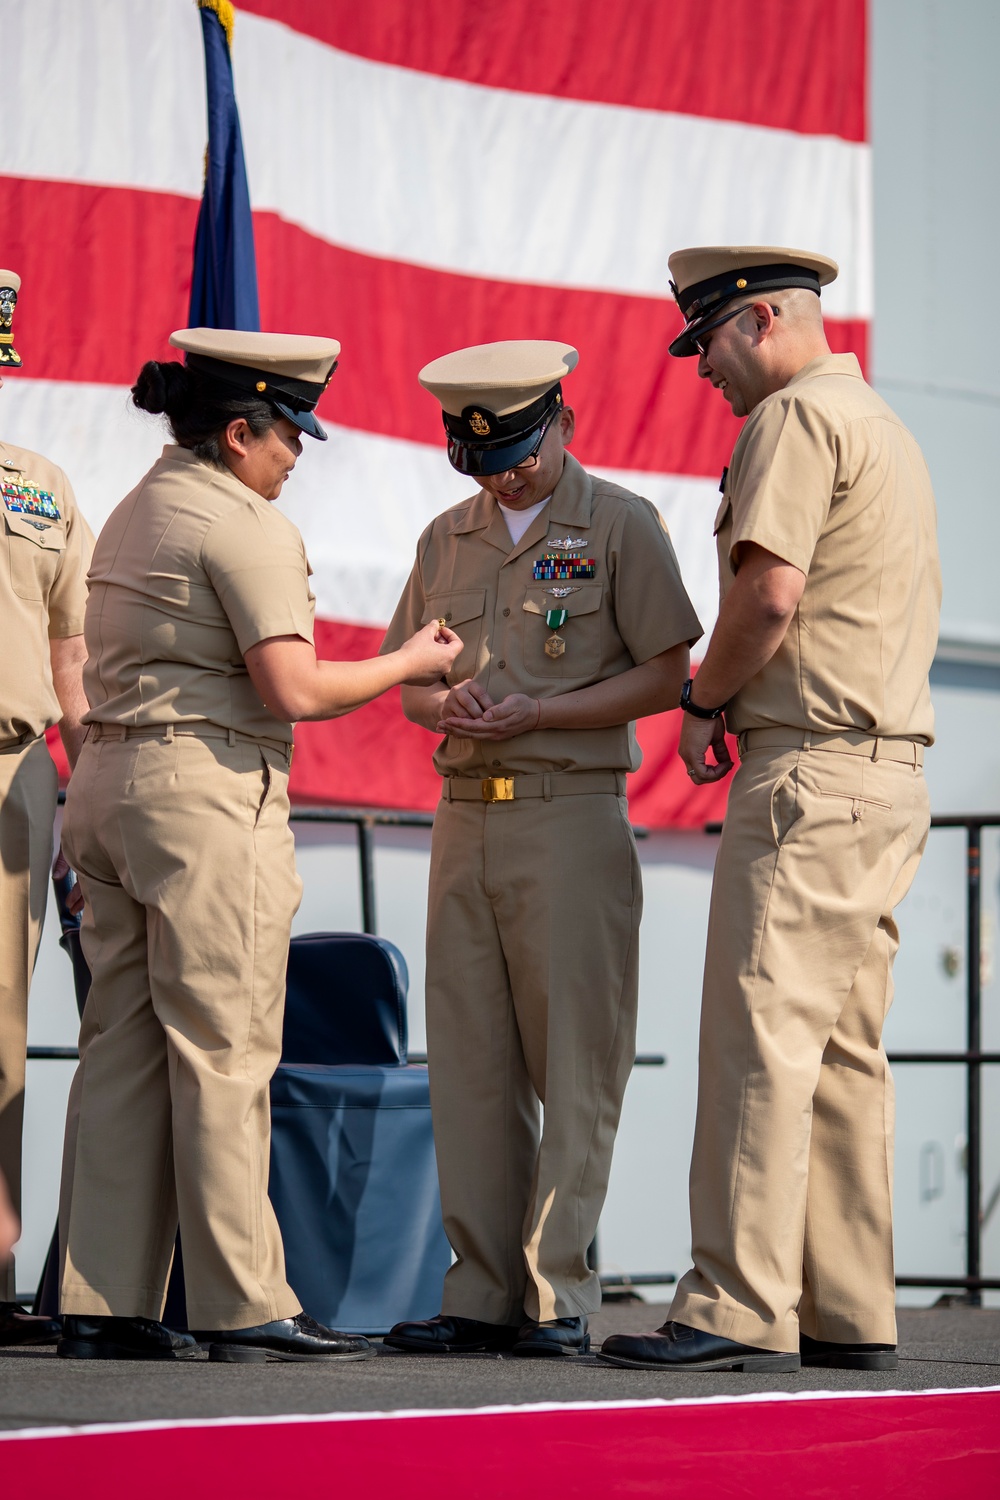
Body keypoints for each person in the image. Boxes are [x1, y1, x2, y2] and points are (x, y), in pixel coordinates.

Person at [56, 329, 461, 1362]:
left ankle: (103, 1305)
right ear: (239, 433)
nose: (296, 456)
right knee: (226, 1051)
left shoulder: (138, 508)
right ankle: (245, 1304)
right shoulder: (243, 523)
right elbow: (294, 688)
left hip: (108, 790)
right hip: (202, 799)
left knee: (123, 1054)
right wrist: (407, 659)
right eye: (289, 436)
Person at [600, 246, 941, 1374]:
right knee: (842, 1052)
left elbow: (770, 590)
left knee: (759, 1041)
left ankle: (735, 1305)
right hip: (885, 776)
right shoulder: (882, 427)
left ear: (755, 322)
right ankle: (848, 1309)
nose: (700, 370)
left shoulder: (794, 420)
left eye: (703, 344)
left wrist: (703, 699)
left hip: (807, 774)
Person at [381, 340, 702, 1358]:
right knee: (469, 1063)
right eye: (478, 455)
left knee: (575, 1062)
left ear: (562, 422)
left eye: (516, 448)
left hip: (569, 812)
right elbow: (408, 684)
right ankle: (477, 1290)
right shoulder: (445, 538)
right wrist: (449, 701)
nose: (501, 471)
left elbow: (666, 672)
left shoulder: (619, 525)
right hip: (465, 814)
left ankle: (554, 1290)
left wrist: (544, 712)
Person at [0, 269, 93, 1346]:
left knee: (3, 1038)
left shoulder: (40, 484)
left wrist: (90, 783)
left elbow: (72, 651)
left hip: (18, 771)